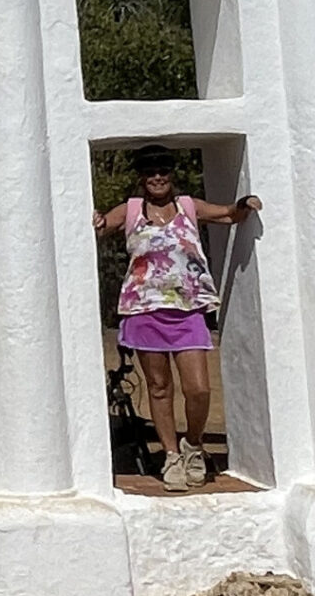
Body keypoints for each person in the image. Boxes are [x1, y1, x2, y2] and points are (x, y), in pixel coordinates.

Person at [94, 145, 259, 493]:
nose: (157, 177)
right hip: (144, 308)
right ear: (142, 176)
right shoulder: (132, 209)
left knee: (198, 388)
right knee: (158, 387)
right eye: (150, 172)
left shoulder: (188, 205)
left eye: (163, 171)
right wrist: (96, 219)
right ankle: (170, 456)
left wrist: (245, 204)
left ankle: (193, 445)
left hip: (188, 308)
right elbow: (101, 227)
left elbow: (230, 214)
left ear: (172, 174)